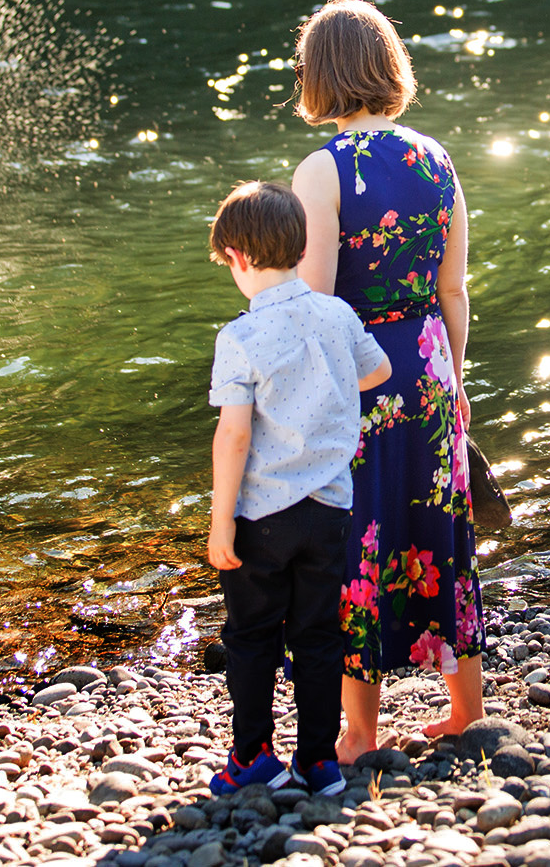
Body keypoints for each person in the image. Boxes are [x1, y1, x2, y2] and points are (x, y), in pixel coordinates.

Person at [287, 0, 485, 760]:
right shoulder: (436, 158)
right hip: (430, 364)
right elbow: (455, 289)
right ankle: (467, 709)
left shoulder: (324, 168)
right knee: (442, 531)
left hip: (361, 373)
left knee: (362, 534)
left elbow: (317, 300)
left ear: (322, 75)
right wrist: (455, 377)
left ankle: (361, 730)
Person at [205, 180, 392, 795]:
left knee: (252, 636)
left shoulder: (239, 338)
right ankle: (318, 761)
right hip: (328, 510)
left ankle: (254, 756)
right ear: (298, 245)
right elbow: (379, 370)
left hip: (261, 514)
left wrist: (221, 520)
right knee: (317, 636)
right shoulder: (335, 315)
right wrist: (327, 392)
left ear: (238, 258)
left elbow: (233, 436)